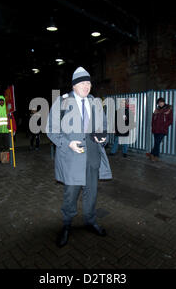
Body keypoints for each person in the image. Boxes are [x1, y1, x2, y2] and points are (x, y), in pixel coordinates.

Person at [47, 66, 112, 248]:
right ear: (74, 85)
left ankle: (90, 221)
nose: (86, 86)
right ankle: (67, 224)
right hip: (72, 157)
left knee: (91, 192)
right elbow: (51, 129)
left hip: (92, 156)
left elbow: (104, 127)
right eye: (82, 83)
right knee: (71, 194)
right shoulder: (62, 102)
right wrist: (68, 143)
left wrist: (103, 136)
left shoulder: (96, 103)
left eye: (89, 83)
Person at [0, 95, 17, 163]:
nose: (1, 102)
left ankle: (5, 159)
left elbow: (12, 120)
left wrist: (14, 129)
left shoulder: (8, 110)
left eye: (2, 101)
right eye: (0, 101)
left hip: (6, 131)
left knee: (7, 145)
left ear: (4, 101)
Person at [146, 97, 173, 161]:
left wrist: (164, 126)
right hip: (155, 129)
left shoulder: (168, 110)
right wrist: (153, 127)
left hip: (162, 130)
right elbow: (153, 120)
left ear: (164, 102)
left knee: (157, 142)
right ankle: (155, 156)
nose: (160, 104)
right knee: (156, 142)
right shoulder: (156, 110)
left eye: (161, 102)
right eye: (159, 103)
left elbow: (170, 120)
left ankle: (153, 154)